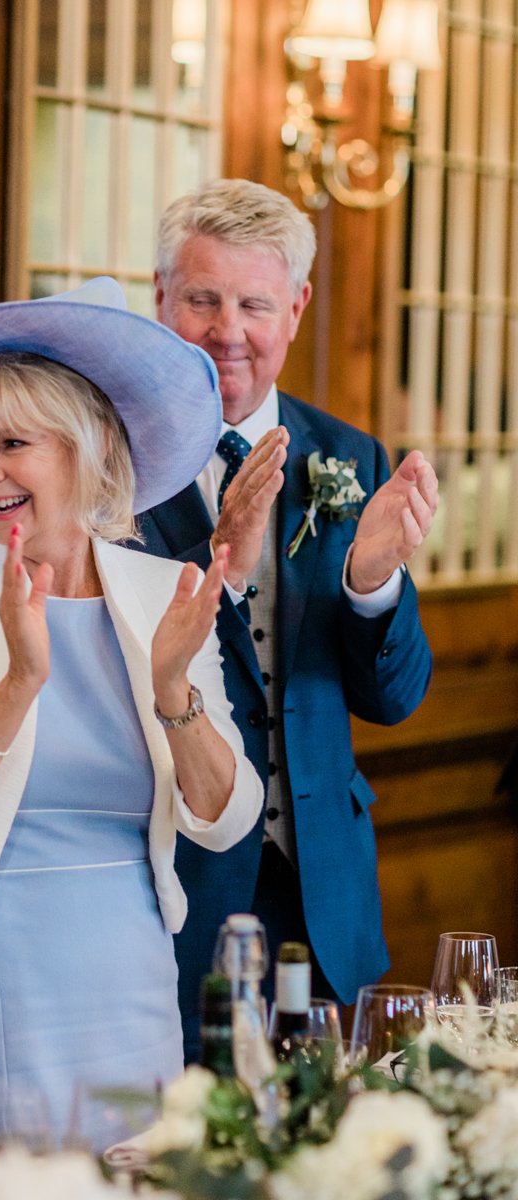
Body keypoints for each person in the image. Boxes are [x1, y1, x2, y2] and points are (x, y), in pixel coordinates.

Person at [0, 277, 262, 1199]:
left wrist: (172, 689)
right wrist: (20, 682)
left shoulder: (162, 594)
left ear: (89, 447)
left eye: (13, 444)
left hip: (130, 978)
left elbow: (226, 822)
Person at [137, 178, 438, 1059]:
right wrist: (217, 563)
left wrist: (371, 580)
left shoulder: (348, 458)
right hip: (180, 889)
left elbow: (394, 700)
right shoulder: (114, 463)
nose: (228, 331)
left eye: (255, 304)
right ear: (160, 297)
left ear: (297, 309)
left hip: (324, 892)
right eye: (202, 299)